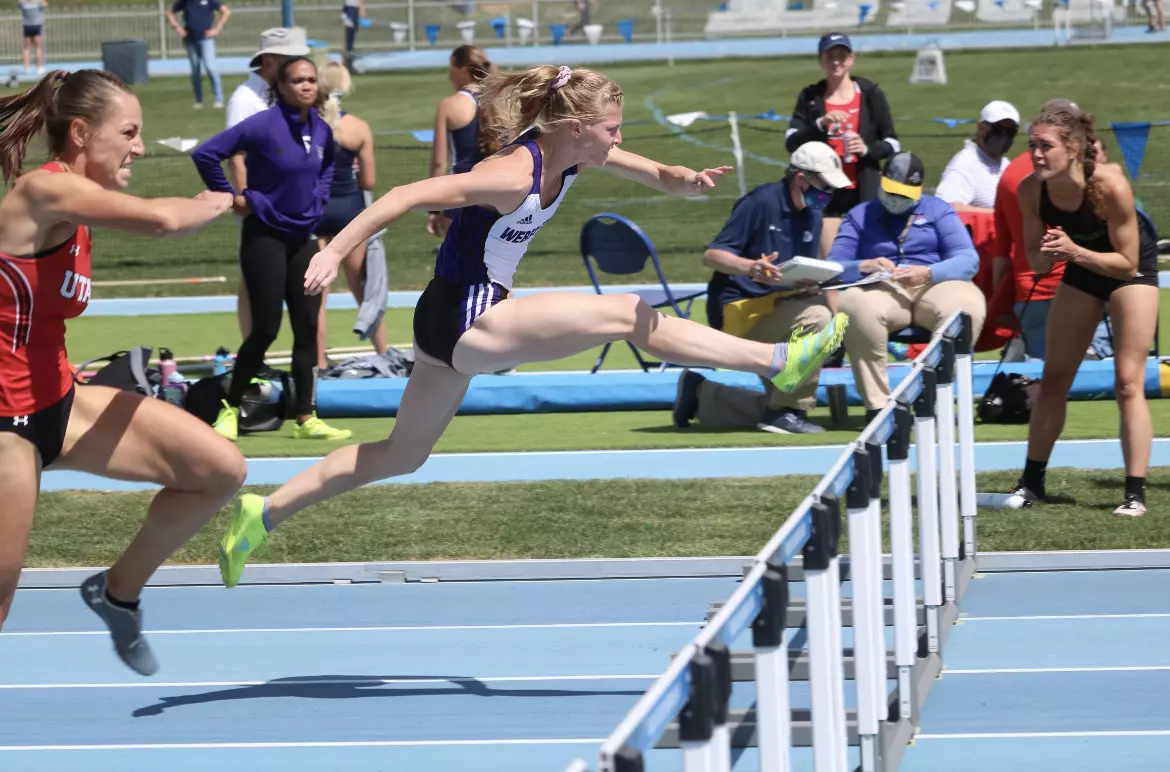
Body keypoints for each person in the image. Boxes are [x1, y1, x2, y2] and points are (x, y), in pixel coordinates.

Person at [215, 65, 850, 588]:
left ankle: (260, 514)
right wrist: (332, 251)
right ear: (576, 127)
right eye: (611, 129)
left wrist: (685, 180)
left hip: (453, 323)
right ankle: (775, 363)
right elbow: (403, 195)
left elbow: (653, 172)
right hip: (468, 314)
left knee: (400, 456)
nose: (616, 139)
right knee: (627, 314)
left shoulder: (576, 154)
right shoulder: (510, 174)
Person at [0, 69, 244, 674]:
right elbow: (160, 221)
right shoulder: (42, 193)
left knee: (217, 470)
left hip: (59, 402)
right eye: (129, 132)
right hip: (5, 423)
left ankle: (117, 592)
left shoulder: (79, 209)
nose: (139, 146)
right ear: (81, 133)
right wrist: (217, 199)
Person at [192, 56, 352, 442]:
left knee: (308, 327)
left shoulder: (321, 129)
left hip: (304, 239)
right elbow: (206, 153)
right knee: (265, 329)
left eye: (312, 80)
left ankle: (306, 417)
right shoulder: (262, 124)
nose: (307, 86)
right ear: (280, 87)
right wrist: (232, 197)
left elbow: (329, 163)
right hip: (264, 236)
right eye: (298, 80)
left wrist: (321, 196)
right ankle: (230, 409)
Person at [1010, 107, 1159, 517]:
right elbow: (1036, 262)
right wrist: (1051, 252)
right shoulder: (1030, 191)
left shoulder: (1109, 184)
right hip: (1083, 268)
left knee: (1128, 382)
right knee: (1054, 378)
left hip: (1131, 272)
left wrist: (1074, 251)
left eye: (1046, 146)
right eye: (1032, 146)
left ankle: (1134, 492)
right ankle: (1032, 482)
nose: (1036, 154)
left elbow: (1127, 263)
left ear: (1073, 148)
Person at [673, 141, 851, 435]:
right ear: (801, 179)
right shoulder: (760, 202)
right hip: (737, 310)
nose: (829, 194)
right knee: (817, 317)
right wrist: (751, 267)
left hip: (777, 306)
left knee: (773, 400)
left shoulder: (813, 215)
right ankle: (789, 410)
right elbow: (712, 256)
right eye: (825, 185)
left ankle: (703, 394)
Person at [829, 152, 986, 419]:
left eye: (905, 194)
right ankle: (878, 406)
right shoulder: (859, 215)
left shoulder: (938, 209)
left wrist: (928, 272)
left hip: (934, 283)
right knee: (853, 302)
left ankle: (935, 396)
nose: (897, 200)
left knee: (967, 306)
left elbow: (968, 260)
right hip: (883, 288)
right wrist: (864, 265)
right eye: (892, 191)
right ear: (881, 180)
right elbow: (835, 267)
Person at [225, 27, 310, 341]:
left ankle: (307, 351)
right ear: (272, 60)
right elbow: (236, 154)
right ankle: (252, 346)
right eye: (292, 57)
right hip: (263, 202)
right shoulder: (246, 98)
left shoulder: (285, 94)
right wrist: (248, 200)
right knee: (255, 276)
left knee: (295, 272)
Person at [785, 32, 900, 259]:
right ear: (821, 60)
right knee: (833, 261)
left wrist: (866, 149)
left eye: (842, 55)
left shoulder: (870, 95)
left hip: (864, 186)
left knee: (871, 256)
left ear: (852, 58)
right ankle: (835, 294)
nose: (836, 61)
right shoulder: (811, 97)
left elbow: (893, 143)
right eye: (830, 56)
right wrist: (820, 124)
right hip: (824, 190)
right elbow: (791, 142)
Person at [315, 60, 385, 367]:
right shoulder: (358, 127)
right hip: (350, 211)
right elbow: (368, 181)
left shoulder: (304, 126)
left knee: (317, 293)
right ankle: (383, 353)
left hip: (314, 213)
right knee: (364, 288)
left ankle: (318, 361)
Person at [426, 44, 498, 239]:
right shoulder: (501, 102)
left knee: (458, 267)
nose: (449, 76)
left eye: (451, 69)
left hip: (460, 196)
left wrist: (433, 209)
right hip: (497, 196)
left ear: (464, 70)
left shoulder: (449, 106)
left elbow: (440, 163)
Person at [935, 100, 1019, 214]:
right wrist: (1000, 215)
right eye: (997, 130)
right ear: (980, 127)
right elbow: (946, 207)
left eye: (1010, 132)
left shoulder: (1005, 164)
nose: (1003, 137)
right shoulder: (965, 164)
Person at [166, 0, 231, 110]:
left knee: (210, 68)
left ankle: (219, 99)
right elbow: (170, 12)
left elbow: (226, 11)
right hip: (190, 39)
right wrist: (177, 27)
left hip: (206, 39)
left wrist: (217, 28)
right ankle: (199, 100)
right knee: (195, 70)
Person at [18, 0, 46, 74]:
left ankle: (27, 68)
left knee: (26, 48)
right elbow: (45, 5)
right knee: (38, 47)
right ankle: (39, 67)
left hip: (27, 26)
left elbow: (19, 5)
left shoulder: (23, 3)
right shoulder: (38, 2)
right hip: (36, 26)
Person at [341, 0, 365, 69]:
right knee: (349, 30)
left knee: (352, 31)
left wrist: (361, 7)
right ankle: (348, 53)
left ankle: (349, 52)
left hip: (353, 8)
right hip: (349, 8)